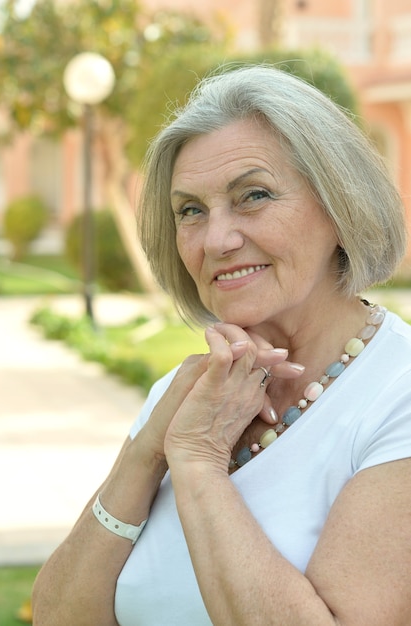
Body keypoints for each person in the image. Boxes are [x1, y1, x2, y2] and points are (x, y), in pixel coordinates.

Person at [32, 64, 411, 625]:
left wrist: (198, 462)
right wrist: (146, 453)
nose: (217, 239)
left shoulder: (396, 395)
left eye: (253, 196)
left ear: (339, 207)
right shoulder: (186, 395)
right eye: (190, 211)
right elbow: (60, 616)